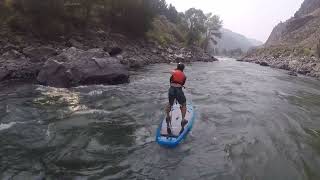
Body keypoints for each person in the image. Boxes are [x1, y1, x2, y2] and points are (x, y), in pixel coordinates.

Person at [165, 63, 188, 135]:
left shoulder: (173, 72)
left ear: (177, 67)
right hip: (178, 90)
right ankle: (183, 119)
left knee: (170, 103)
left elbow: (171, 79)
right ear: (183, 69)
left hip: (171, 89)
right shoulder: (184, 76)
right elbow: (182, 84)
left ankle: (168, 116)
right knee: (183, 104)